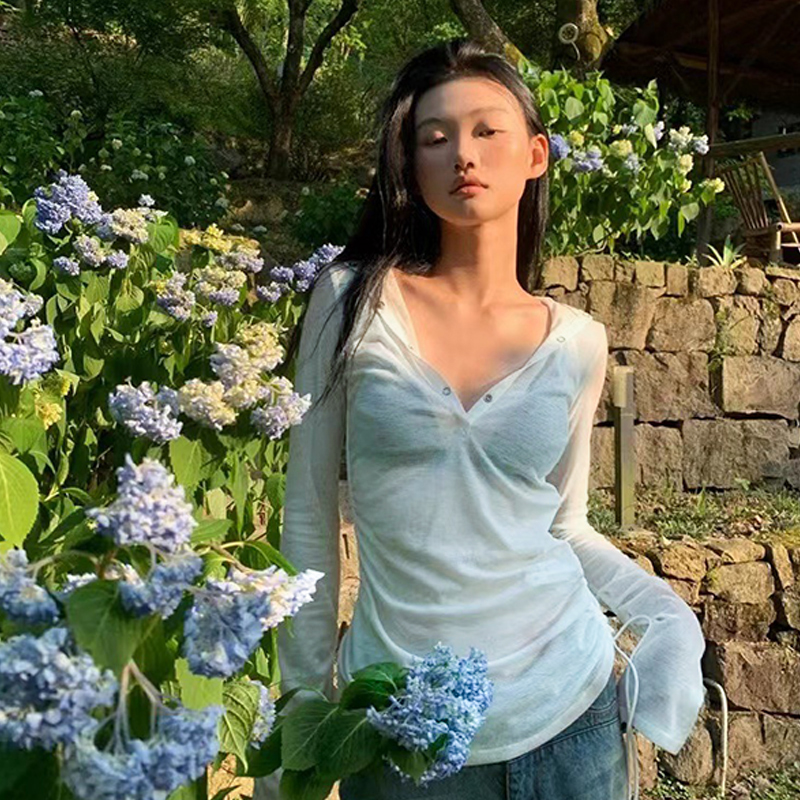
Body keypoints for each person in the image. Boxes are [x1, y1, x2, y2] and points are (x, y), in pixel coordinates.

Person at [254, 37, 706, 800]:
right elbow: (307, 513)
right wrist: (301, 706)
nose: (463, 153)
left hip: (574, 717)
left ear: (535, 155)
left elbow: (564, 526)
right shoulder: (351, 302)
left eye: (487, 130)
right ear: (410, 164)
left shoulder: (576, 342)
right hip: (403, 734)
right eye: (435, 137)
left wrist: (667, 615)